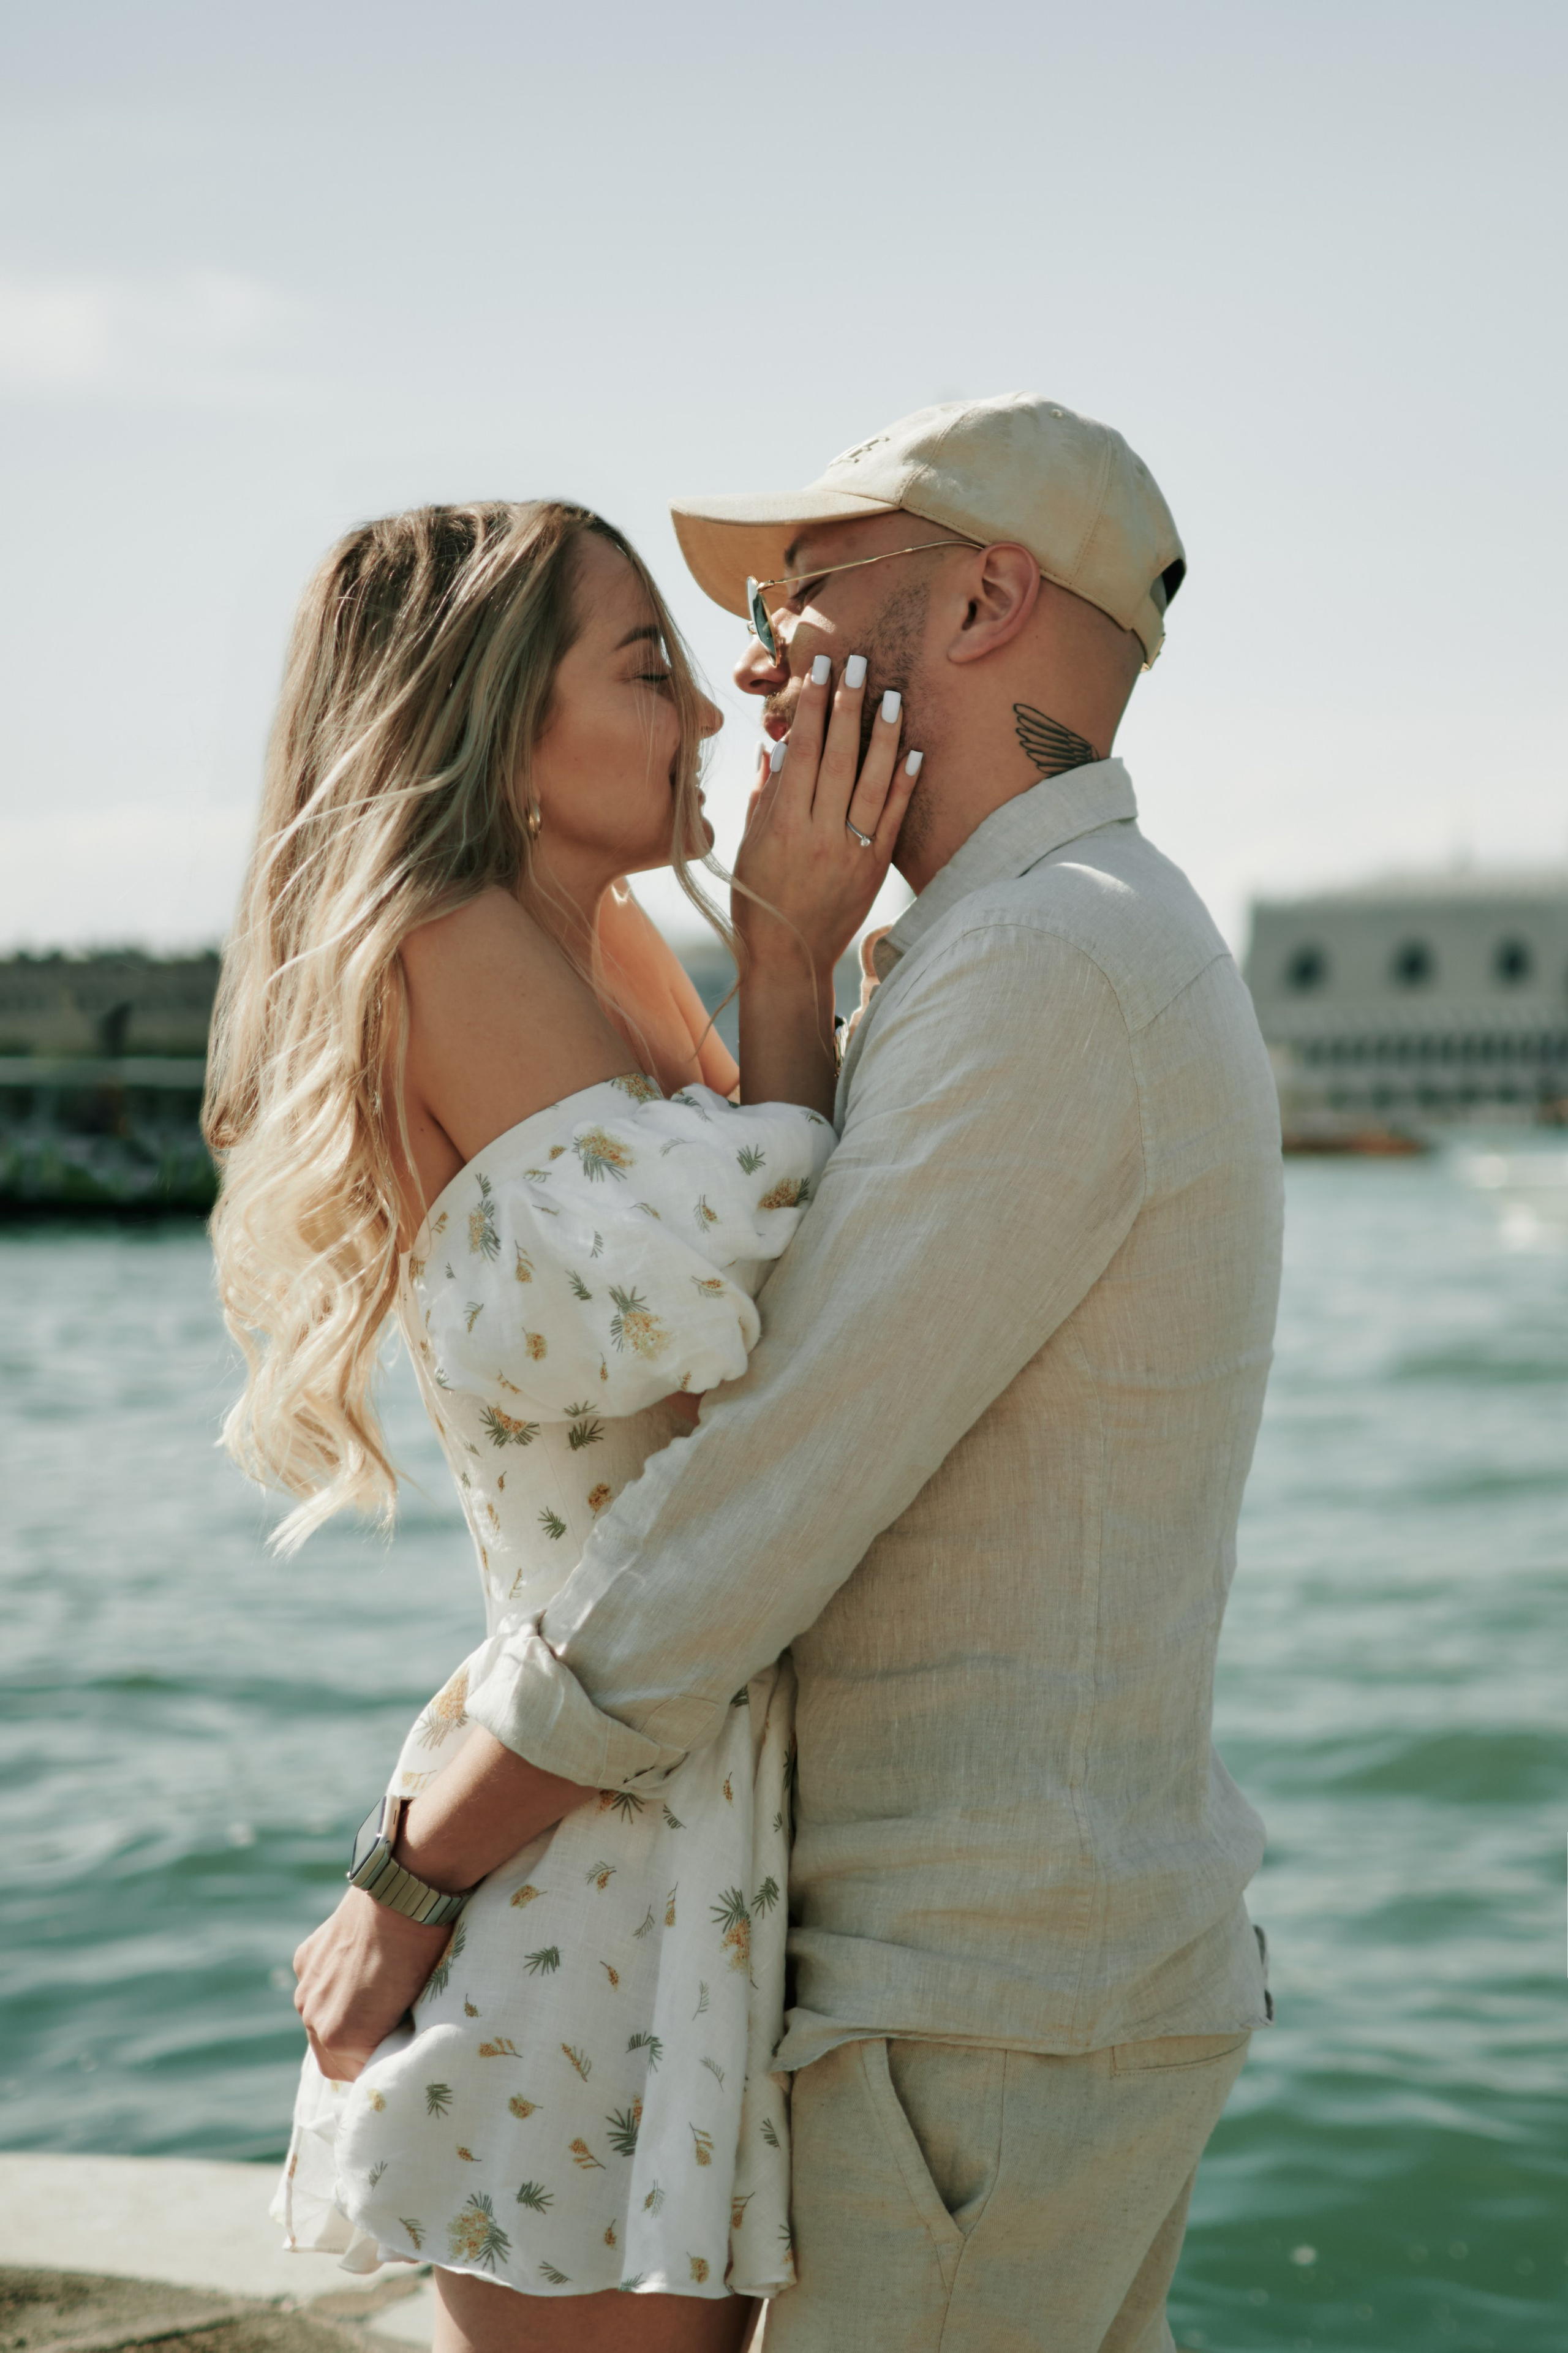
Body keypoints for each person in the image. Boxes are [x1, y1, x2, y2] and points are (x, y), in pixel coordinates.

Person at [274, 391, 1285, 2353]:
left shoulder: (1039, 964)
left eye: (808, 592)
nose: (759, 660)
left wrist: (414, 1862)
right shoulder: (1006, 946)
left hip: (962, 2005)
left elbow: (751, 1497)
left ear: (990, 598)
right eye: (679, 640)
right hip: (915, 1983)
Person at [203, 497, 919, 2353]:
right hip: (587, 1864)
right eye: (645, 665)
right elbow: (762, 1380)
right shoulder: (456, 946)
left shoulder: (600, 953)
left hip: (656, 1823)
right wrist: (785, 957)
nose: (704, 703)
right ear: (497, 724)